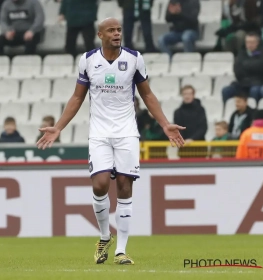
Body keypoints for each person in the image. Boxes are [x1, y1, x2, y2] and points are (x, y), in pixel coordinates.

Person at [36, 18, 185, 265]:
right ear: (100, 34)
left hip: (127, 131)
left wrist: (164, 123)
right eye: (112, 31)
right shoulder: (88, 60)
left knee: (125, 185)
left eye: (119, 30)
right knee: (100, 184)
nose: (117, 34)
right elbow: (77, 97)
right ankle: (105, 236)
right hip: (99, 133)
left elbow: (146, 94)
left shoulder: (134, 58)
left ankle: (122, 250)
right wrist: (59, 127)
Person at [221, 32, 263, 104]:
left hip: (257, 83)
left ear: (257, 43)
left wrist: (246, 65)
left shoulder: (262, 54)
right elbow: (237, 70)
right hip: (242, 83)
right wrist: (251, 66)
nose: (249, 44)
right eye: (248, 42)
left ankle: (254, 112)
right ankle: (226, 111)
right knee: (226, 90)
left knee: (255, 90)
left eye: (252, 42)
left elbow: (260, 68)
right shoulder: (241, 53)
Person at [173, 85, 208, 158]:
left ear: (193, 95)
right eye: (185, 94)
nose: (187, 96)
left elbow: (203, 127)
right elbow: (177, 129)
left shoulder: (200, 110)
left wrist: (192, 139)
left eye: (189, 94)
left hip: (200, 148)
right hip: (184, 148)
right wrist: (184, 140)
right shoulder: (178, 112)